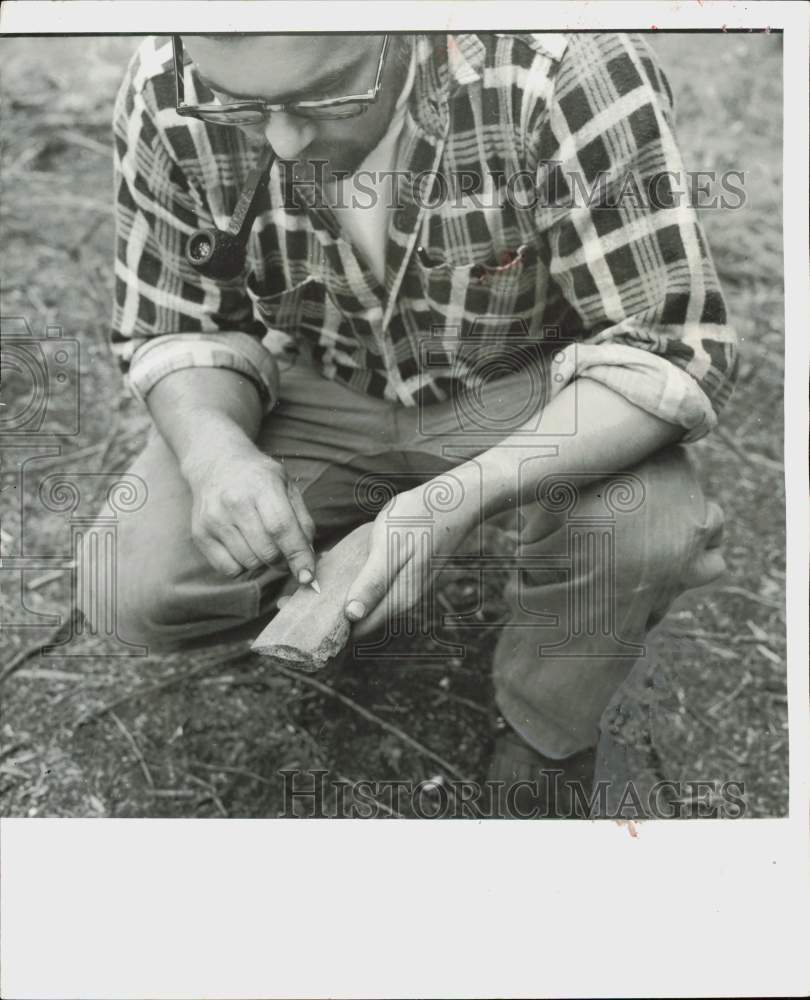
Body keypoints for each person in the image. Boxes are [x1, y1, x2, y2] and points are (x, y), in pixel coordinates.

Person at [89, 31, 736, 815]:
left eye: (324, 97)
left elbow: (665, 348)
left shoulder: (567, 68)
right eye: (242, 107)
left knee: (645, 532)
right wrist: (216, 452)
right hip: (328, 373)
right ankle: (335, 576)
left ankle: (546, 723)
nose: (284, 139)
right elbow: (175, 325)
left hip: (531, 385)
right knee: (126, 585)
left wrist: (452, 501)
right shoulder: (168, 84)